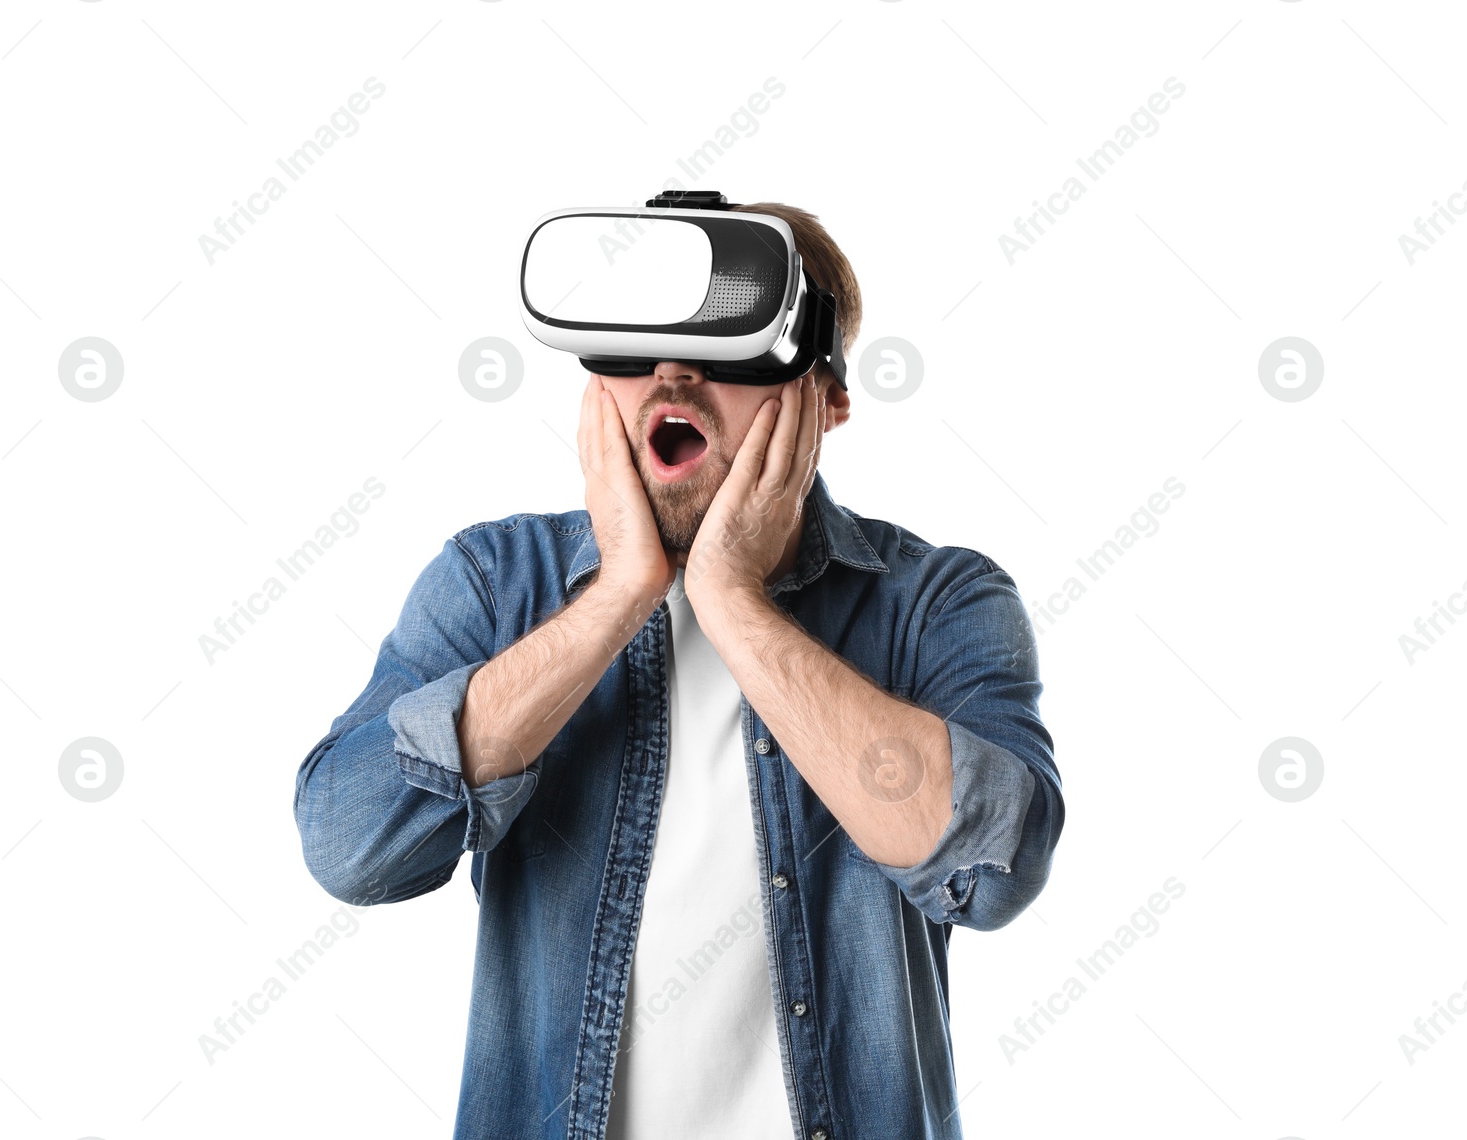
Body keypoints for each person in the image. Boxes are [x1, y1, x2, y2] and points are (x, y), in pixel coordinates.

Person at [293, 201, 1065, 1140]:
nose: (674, 374)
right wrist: (619, 592)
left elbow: (994, 875)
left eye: (733, 342)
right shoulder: (496, 584)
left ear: (828, 398)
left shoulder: (939, 602)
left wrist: (734, 600)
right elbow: (348, 846)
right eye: (633, 342)